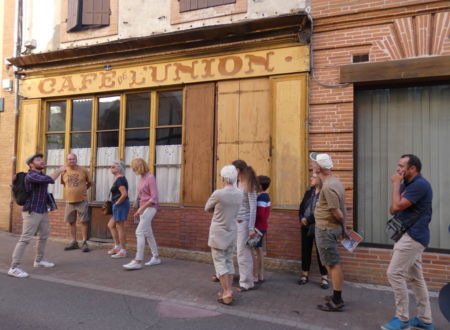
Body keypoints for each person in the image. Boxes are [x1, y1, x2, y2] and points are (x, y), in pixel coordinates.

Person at [381, 154, 434, 330]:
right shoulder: (408, 184)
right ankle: (425, 320)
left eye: (402, 166)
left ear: (413, 169)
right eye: (398, 165)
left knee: (394, 273)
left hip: (413, 236)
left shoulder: (420, 185)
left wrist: (396, 184)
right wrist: (398, 192)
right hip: (409, 234)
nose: (398, 169)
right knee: (416, 278)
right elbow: (393, 209)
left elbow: (396, 206)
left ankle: (402, 318)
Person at [8, 153, 65, 278]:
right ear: (31, 164)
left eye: (41, 159)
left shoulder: (40, 174)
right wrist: (59, 170)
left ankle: (39, 261)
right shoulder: (31, 175)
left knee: (43, 235)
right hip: (32, 211)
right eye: (38, 160)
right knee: (25, 238)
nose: (41, 161)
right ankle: (14, 267)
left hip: (42, 210)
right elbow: (50, 179)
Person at [310, 152, 347, 312]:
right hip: (329, 228)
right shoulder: (333, 181)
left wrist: (344, 226)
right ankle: (336, 295)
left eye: (314, 163)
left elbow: (336, 211)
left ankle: (337, 300)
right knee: (331, 263)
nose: (312, 165)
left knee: (332, 264)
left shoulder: (329, 186)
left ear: (319, 167)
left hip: (326, 229)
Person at [205, 165, 243, 305]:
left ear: (223, 178)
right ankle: (229, 290)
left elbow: (207, 207)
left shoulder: (218, 194)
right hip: (232, 230)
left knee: (220, 262)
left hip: (218, 232)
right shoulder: (240, 194)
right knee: (229, 261)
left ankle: (226, 292)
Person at [123, 158, 161, 270]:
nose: (133, 170)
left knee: (139, 231)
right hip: (142, 208)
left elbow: (154, 197)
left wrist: (142, 208)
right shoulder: (141, 178)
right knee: (147, 233)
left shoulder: (150, 177)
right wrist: (138, 207)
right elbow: (140, 195)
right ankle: (156, 257)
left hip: (151, 207)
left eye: (134, 168)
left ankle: (138, 260)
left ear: (139, 166)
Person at [298, 173, 329, 289]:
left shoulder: (325, 193)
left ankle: (324, 277)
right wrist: (301, 218)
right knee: (305, 250)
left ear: (319, 179)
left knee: (321, 251)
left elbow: (323, 210)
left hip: (319, 226)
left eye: (313, 177)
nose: (311, 178)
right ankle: (305, 274)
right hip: (305, 226)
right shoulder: (309, 191)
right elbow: (302, 206)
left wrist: (308, 219)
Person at [232, 160, 259, 292]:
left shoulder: (250, 184)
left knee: (243, 254)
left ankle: (246, 283)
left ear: (238, 170)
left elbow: (253, 207)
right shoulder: (236, 183)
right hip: (235, 222)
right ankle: (244, 280)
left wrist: (251, 227)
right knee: (239, 253)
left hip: (244, 223)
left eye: (233, 170)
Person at [61, 153, 92, 253]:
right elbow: (64, 184)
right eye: (69, 159)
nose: (72, 161)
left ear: (76, 159)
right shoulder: (64, 171)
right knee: (71, 222)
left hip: (81, 200)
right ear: (67, 160)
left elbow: (90, 182)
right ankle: (74, 242)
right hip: (69, 201)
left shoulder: (83, 170)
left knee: (84, 221)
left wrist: (82, 190)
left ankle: (84, 242)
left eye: (73, 159)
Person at [107, 161, 129, 259]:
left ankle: (123, 251)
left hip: (120, 205)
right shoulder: (118, 179)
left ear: (119, 168)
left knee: (120, 227)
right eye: (111, 167)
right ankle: (117, 246)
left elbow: (124, 194)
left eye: (113, 167)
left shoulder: (120, 179)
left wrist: (117, 204)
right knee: (111, 225)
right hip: (119, 205)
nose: (111, 168)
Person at [252, 175, 271, 285]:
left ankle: (255, 276)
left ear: (259, 185)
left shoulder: (262, 197)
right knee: (259, 251)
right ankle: (260, 274)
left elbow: (260, 214)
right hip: (262, 227)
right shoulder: (265, 196)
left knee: (255, 252)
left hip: (258, 228)